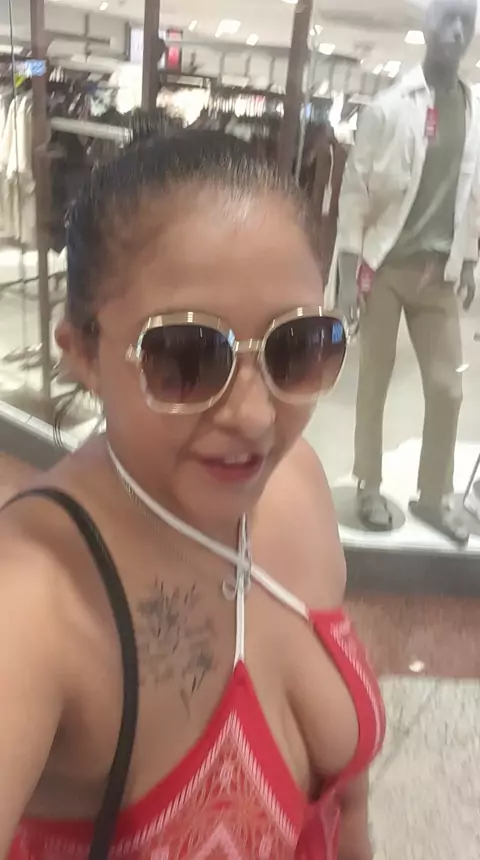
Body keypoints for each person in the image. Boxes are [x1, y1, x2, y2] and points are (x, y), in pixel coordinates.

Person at [0, 131, 385, 860]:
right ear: (83, 353)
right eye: (184, 356)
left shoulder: (295, 484)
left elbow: (349, 804)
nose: (257, 417)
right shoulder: (35, 597)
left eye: (297, 346)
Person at [336, 0, 480, 544]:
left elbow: (472, 196)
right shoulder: (389, 108)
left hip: (439, 273)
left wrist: (469, 260)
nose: (458, 31)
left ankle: (433, 494)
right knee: (374, 379)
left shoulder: (475, 109)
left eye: (468, 21)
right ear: (427, 25)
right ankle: (369, 484)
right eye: (448, 18)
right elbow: (355, 195)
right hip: (385, 268)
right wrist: (347, 275)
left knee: (448, 389)